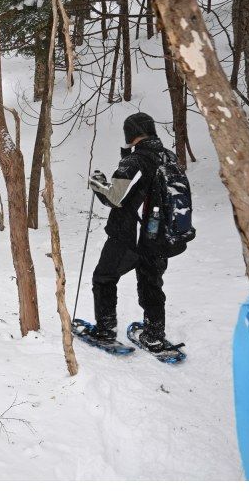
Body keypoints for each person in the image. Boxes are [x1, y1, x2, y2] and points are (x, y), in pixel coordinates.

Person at [83, 112, 174, 352]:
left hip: (129, 234)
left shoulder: (136, 161)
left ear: (130, 134)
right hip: (160, 236)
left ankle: (105, 329)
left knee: (104, 277)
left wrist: (97, 181)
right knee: (151, 282)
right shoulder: (168, 157)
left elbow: (114, 196)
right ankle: (154, 335)